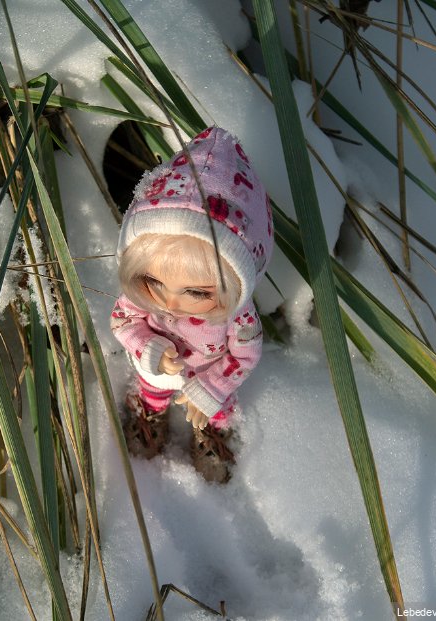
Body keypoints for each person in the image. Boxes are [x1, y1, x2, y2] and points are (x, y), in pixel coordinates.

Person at [110, 126, 273, 483]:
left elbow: (245, 354)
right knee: (151, 390)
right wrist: (148, 345)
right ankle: (149, 414)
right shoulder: (141, 297)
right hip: (156, 369)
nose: (170, 302)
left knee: (215, 408)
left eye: (197, 292)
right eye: (153, 281)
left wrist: (213, 388)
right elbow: (122, 320)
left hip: (209, 373)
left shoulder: (237, 314)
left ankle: (213, 431)